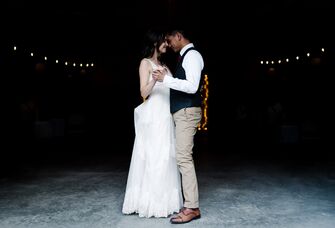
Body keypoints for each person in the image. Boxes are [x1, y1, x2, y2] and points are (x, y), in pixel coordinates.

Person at [122, 29, 183, 218]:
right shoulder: (145, 63)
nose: (166, 44)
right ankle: (149, 203)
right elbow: (143, 93)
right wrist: (156, 81)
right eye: (163, 42)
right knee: (152, 158)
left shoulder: (164, 65)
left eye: (166, 41)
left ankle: (165, 202)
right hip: (153, 118)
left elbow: (173, 88)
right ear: (155, 44)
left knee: (166, 158)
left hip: (165, 117)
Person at [152, 28, 204, 224]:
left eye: (169, 39)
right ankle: (190, 204)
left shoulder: (192, 55)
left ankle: (192, 207)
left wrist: (165, 80)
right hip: (182, 112)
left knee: (183, 157)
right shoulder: (185, 57)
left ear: (179, 36)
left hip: (187, 111)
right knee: (182, 156)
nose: (169, 44)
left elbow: (192, 86)